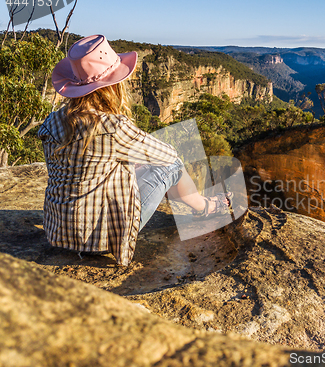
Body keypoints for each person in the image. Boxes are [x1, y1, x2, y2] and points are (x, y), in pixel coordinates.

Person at [38, 34, 231, 266]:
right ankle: (207, 207)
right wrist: (137, 156)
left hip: (59, 233)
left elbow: (79, 172)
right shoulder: (113, 126)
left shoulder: (51, 121)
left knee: (143, 165)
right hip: (100, 240)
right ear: (111, 86)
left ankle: (202, 205)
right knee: (171, 166)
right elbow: (168, 155)